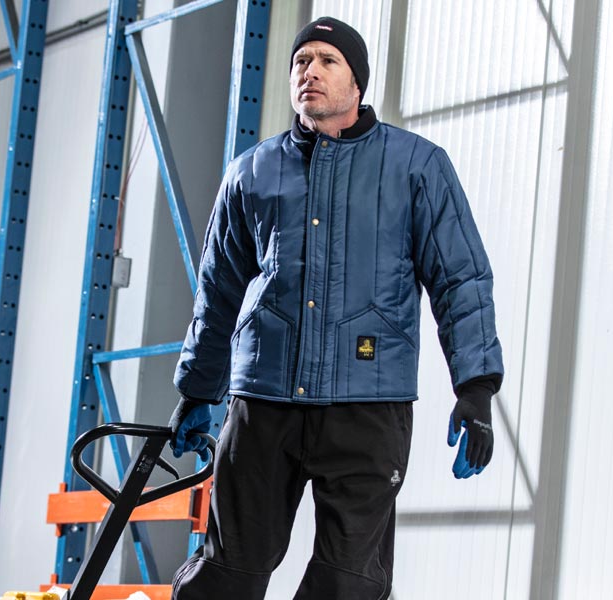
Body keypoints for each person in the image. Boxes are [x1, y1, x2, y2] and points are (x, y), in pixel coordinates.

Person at [166, 16, 504, 600]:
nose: (309, 72)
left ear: (357, 83)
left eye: (327, 60)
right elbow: (218, 289)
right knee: (226, 577)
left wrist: (475, 388)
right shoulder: (252, 172)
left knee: (348, 584)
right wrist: (199, 387)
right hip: (264, 402)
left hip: (367, 407)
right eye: (301, 61)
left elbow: (461, 281)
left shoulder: (417, 166)